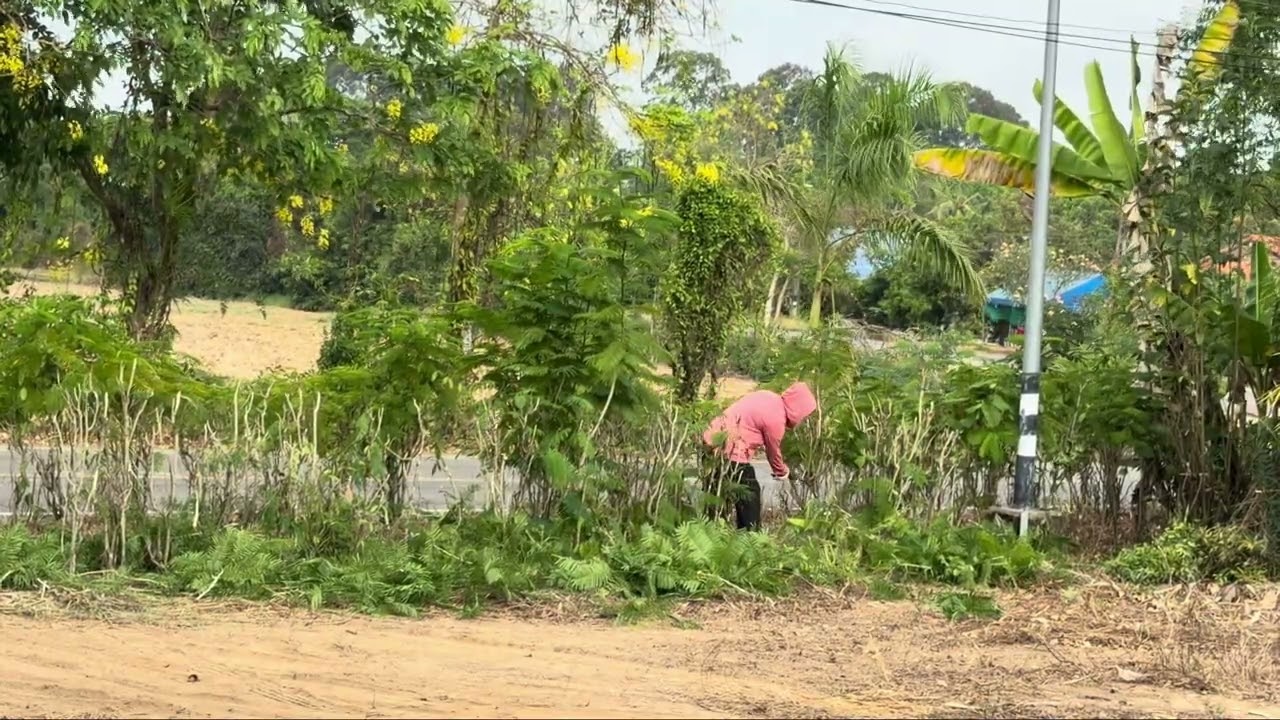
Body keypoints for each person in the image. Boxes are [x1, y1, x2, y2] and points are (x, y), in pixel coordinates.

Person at [701, 382, 818, 530]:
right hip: (731, 452)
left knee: (716, 499)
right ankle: (751, 541)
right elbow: (773, 452)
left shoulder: (768, 396)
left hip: (711, 441)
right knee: (750, 497)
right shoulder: (777, 419)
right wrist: (783, 472)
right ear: (798, 408)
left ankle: (711, 535)